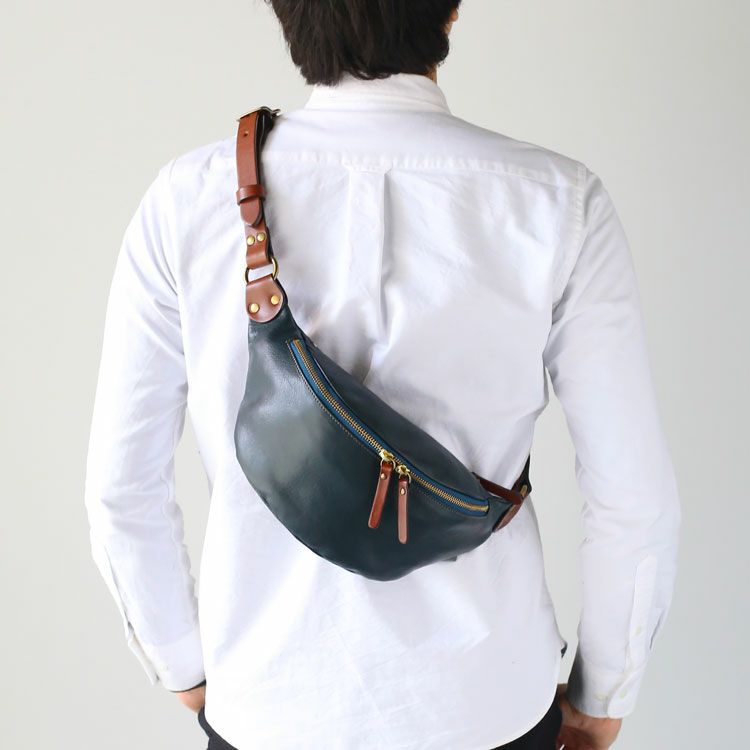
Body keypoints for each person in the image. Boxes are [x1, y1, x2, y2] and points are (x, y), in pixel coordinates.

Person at [83, 1, 681, 748]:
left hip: (269, 704)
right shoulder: (559, 201)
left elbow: (122, 488)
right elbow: (633, 498)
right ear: (451, 11)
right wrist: (605, 691)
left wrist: (180, 661)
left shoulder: (185, 198)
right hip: (488, 703)